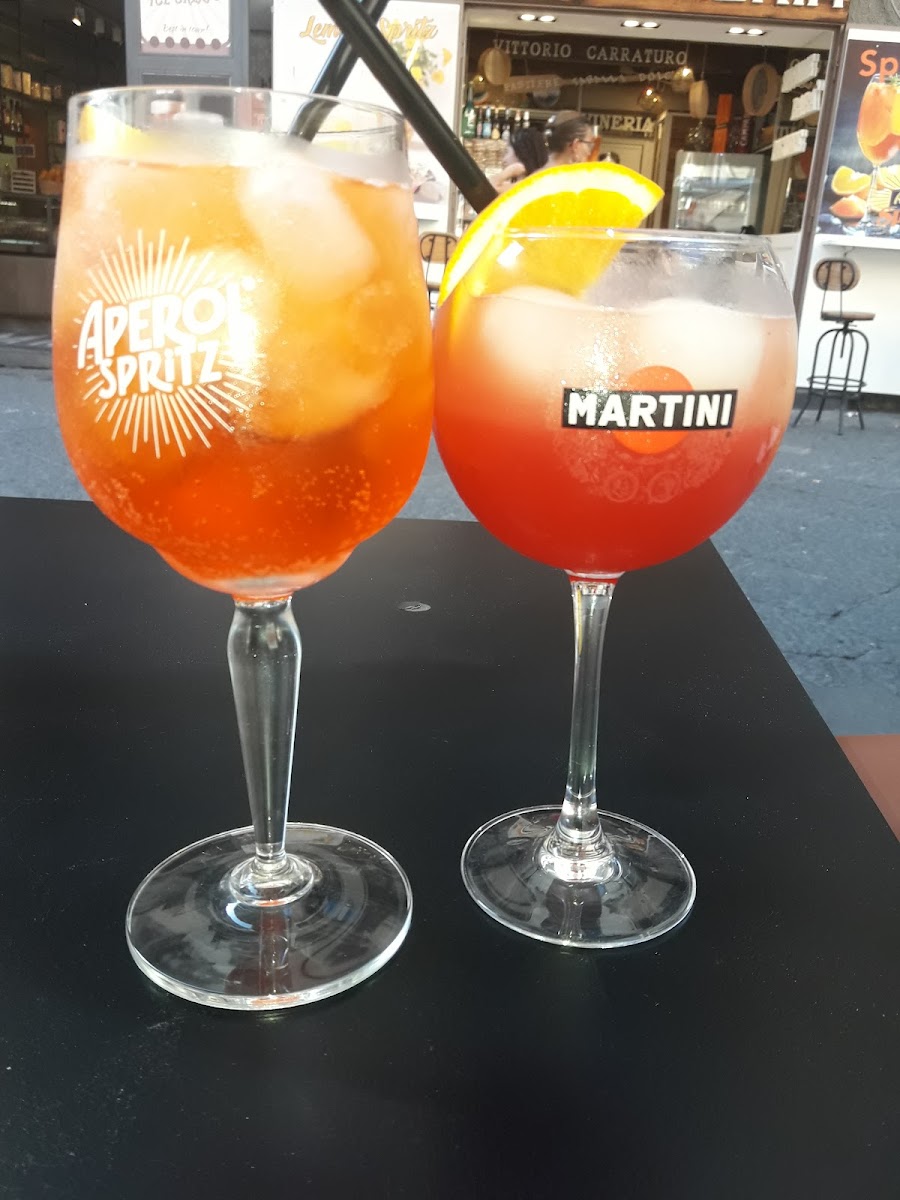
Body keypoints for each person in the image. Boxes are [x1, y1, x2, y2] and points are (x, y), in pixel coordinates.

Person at [494, 126, 549, 193]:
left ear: (521, 154)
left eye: (507, 152)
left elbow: (491, 188)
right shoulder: (540, 182)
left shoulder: (526, 187)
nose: (504, 159)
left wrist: (509, 171)